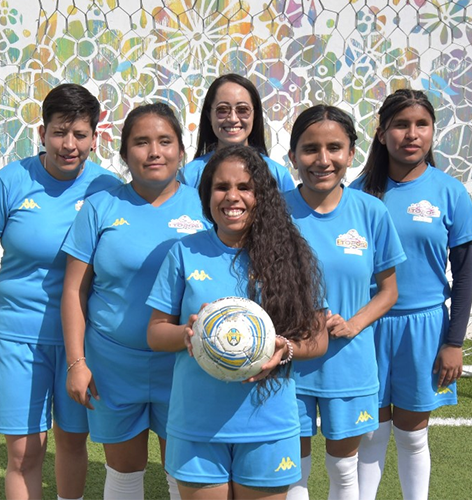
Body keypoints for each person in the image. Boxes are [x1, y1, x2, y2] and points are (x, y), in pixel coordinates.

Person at [147, 144, 329, 500]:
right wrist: (189, 334)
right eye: (221, 187)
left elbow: (317, 339)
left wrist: (285, 349)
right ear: (206, 194)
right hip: (198, 422)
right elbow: (155, 333)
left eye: (245, 187)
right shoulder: (184, 252)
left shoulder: (290, 255)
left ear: (262, 194)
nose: (233, 197)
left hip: (268, 422)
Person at [0, 83, 121, 500]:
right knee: (23, 453)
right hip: (18, 338)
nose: (68, 144)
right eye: (59, 132)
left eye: (79, 134)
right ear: (42, 132)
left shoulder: (106, 188)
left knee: (73, 442)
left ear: (95, 136)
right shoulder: (11, 181)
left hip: (81, 342)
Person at [61, 103, 209, 500]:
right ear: (125, 153)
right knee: (124, 475)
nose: (154, 151)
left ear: (181, 149)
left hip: (183, 364)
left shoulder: (205, 206)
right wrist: (77, 363)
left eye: (165, 141)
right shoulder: (100, 208)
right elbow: (75, 291)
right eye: (141, 142)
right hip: (113, 365)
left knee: (182, 476)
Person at [350, 89, 472, 499]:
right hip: (369, 326)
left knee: (413, 434)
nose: (411, 134)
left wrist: (454, 342)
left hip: (424, 329)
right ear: (382, 133)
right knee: (371, 433)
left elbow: (466, 274)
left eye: (421, 124)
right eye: (401, 124)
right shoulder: (359, 191)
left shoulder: (450, 192)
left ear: (433, 131)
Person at [284, 105, 406, 500]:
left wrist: (353, 324)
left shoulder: (371, 211)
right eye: (310, 149)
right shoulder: (275, 212)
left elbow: (389, 290)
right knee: (293, 472)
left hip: (349, 363)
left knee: (344, 470)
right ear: (293, 156)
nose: (323, 160)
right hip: (289, 364)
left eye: (334, 147)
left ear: (351, 153)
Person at [178, 73, 296, 191]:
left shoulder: (279, 175)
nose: (233, 119)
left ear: (255, 114)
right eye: (222, 110)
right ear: (209, 115)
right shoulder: (188, 177)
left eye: (242, 110)